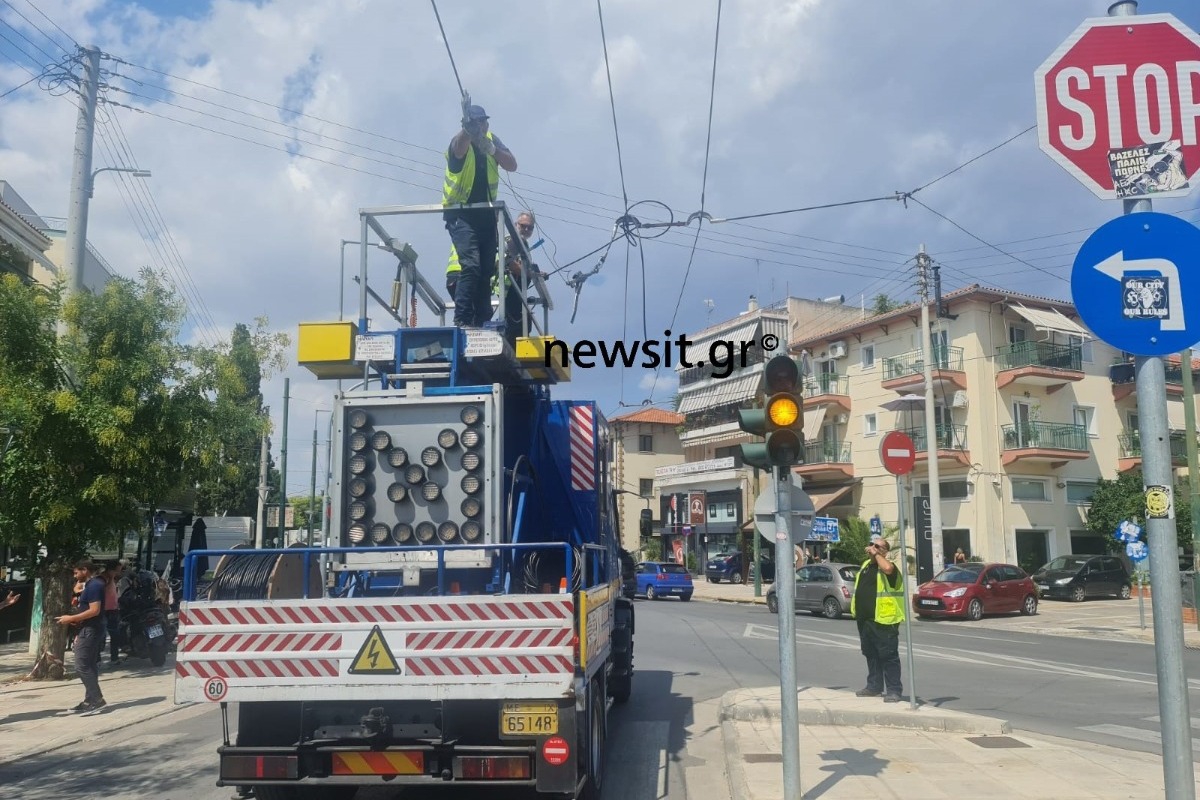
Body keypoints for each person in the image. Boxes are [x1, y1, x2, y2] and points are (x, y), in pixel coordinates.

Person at [443, 102, 518, 329]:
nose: (482, 126)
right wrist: (468, 132)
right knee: (472, 267)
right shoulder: (460, 142)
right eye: (477, 122)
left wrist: (493, 149)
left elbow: (512, 164)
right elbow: (458, 148)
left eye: (484, 122)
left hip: (486, 216)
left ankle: (482, 320)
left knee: (486, 271)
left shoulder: (492, 140)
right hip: (462, 214)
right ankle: (463, 319)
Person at [850, 538, 905, 703]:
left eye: (877, 546)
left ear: (884, 551)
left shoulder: (890, 568)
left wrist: (877, 555)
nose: (872, 548)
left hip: (884, 619)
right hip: (865, 619)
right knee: (870, 654)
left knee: (888, 655)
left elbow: (887, 568)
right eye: (871, 544)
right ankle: (874, 686)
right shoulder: (866, 566)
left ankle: (894, 690)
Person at [56, 559, 107, 715]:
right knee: (89, 664)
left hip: (90, 629)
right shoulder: (90, 585)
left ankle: (97, 699)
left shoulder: (94, 586)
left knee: (81, 665)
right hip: (88, 628)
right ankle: (90, 699)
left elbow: (94, 610)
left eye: (76, 572)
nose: (75, 575)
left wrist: (71, 619)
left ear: (85, 570)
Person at [102, 561, 123, 665]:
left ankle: (114, 658)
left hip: (113, 610)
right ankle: (96, 659)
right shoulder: (104, 579)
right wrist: (110, 578)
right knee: (101, 635)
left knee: (115, 635)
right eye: (118, 570)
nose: (119, 572)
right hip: (105, 610)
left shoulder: (113, 580)